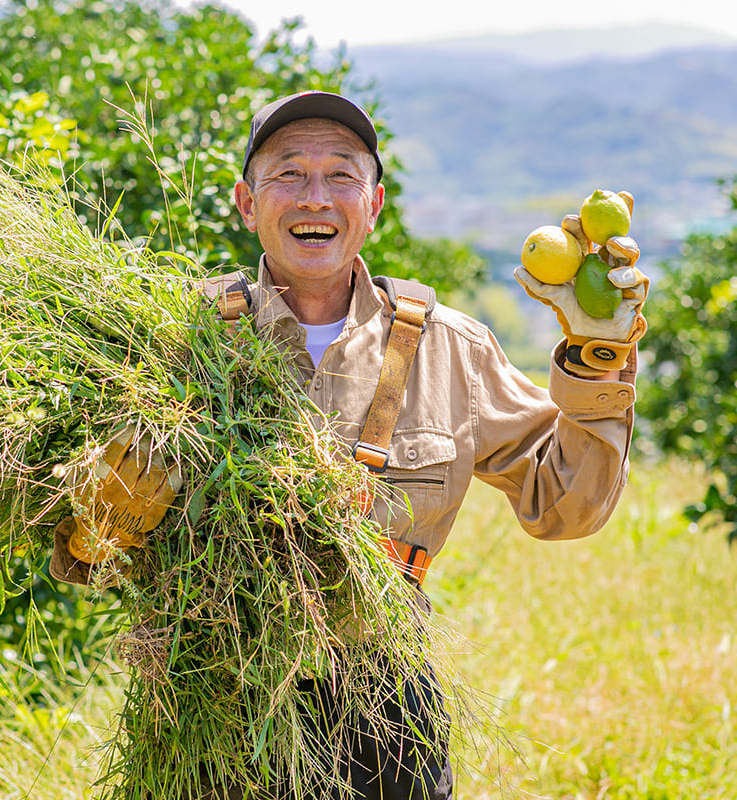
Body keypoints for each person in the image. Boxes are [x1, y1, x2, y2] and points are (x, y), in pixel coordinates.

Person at [50, 91, 649, 800]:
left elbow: (565, 507)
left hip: (387, 714)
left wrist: (596, 356)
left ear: (375, 204)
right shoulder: (177, 342)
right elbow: (82, 549)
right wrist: (97, 522)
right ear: (247, 202)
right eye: (288, 173)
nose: (316, 197)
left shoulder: (449, 346)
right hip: (209, 703)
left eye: (341, 175)